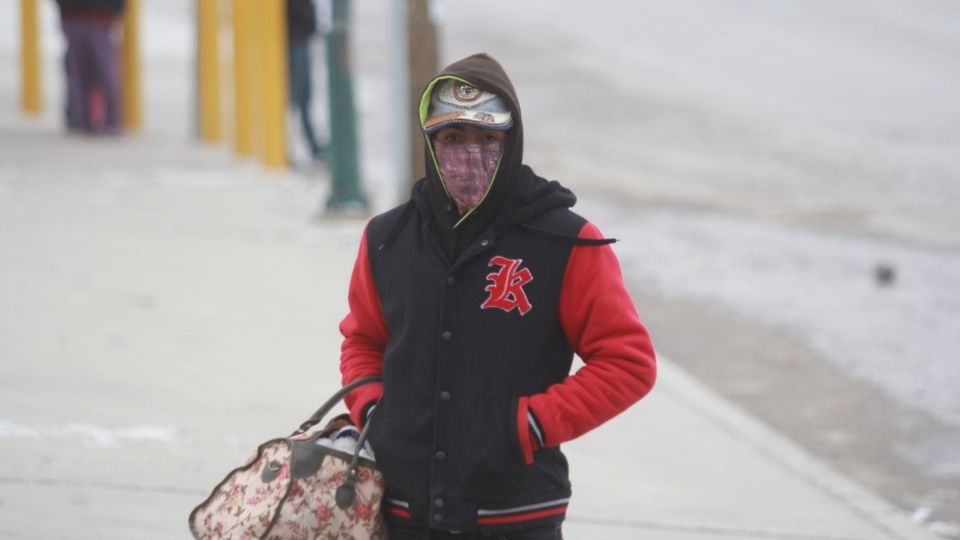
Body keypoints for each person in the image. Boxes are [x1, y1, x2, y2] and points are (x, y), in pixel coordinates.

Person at [339, 53, 657, 539]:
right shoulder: (386, 238)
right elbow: (362, 341)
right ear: (430, 142)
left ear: (511, 142)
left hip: (517, 514)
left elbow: (628, 362)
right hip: (404, 513)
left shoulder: (567, 242)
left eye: (488, 138)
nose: (470, 155)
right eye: (452, 138)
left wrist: (528, 426)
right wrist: (376, 412)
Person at [55, 0, 124, 134]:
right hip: (76, 17)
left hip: (99, 17)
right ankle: (82, 120)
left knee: (104, 74)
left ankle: (108, 121)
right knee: (80, 75)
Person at [286, 0, 326, 163]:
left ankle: (311, 146)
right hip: (296, 39)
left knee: (302, 98)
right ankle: (309, 147)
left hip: (300, 37)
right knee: (299, 97)